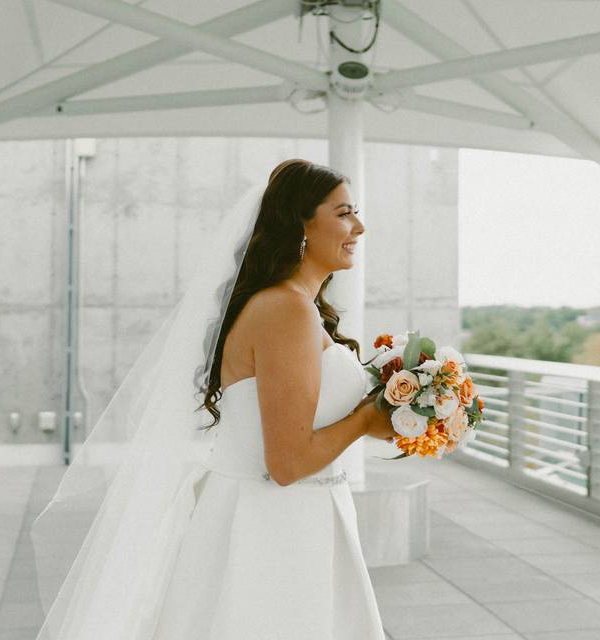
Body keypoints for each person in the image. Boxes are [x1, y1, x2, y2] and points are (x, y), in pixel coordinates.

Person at [31, 159, 398, 639]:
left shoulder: (294, 306)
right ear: (300, 225)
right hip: (271, 528)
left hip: (299, 517)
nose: (359, 227)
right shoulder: (285, 309)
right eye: (344, 213)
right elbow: (286, 462)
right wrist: (368, 419)